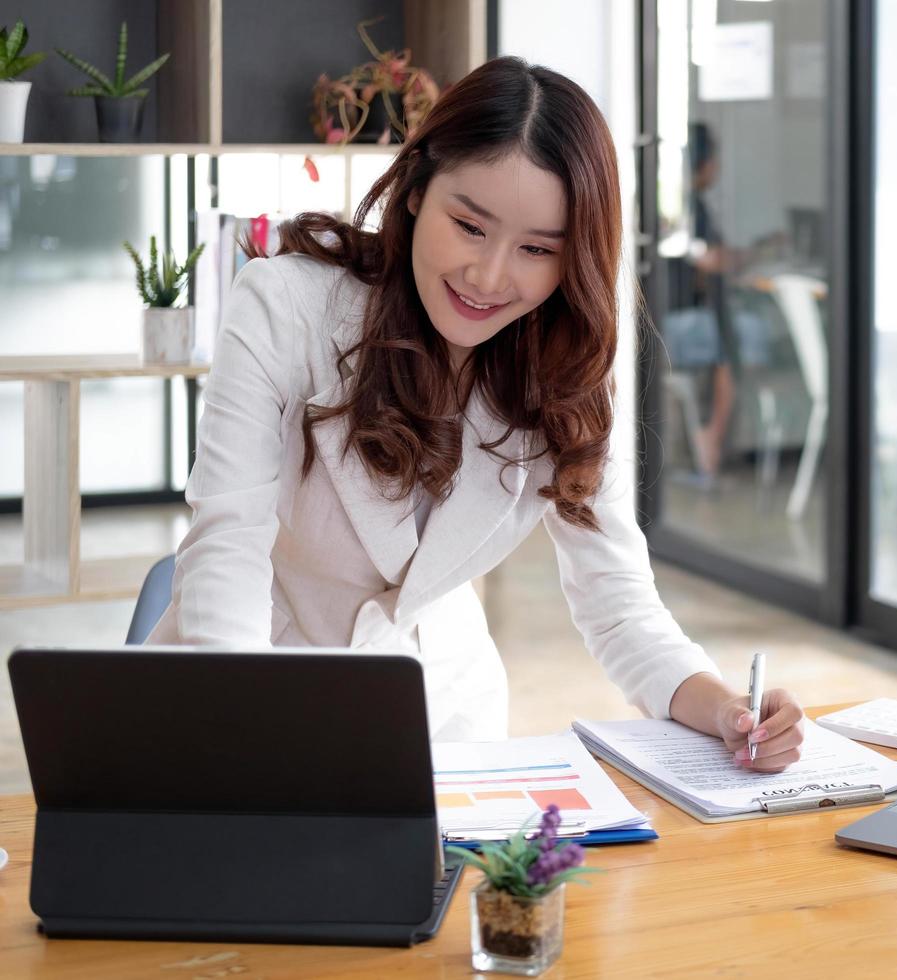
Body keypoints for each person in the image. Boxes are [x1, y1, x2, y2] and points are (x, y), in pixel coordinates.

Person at [146, 57, 805, 771]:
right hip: (247, 705)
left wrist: (725, 712)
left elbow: (618, 604)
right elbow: (226, 551)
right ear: (414, 190)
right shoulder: (285, 305)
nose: (488, 277)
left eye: (535, 250)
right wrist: (236, 748)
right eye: (468, 226)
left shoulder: (566, 371)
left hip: (445, 732)